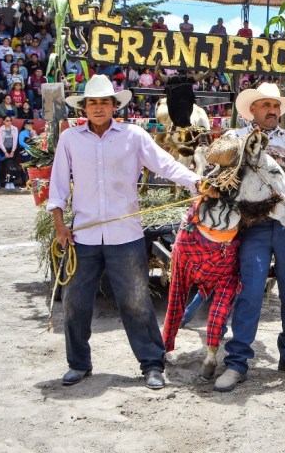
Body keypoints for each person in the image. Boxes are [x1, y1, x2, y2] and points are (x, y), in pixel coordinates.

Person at [47, 75, 202, 389]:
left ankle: (152, 364)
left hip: (126, 236)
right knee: (75, 302)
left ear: (114, 106)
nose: (98, 108)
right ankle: (78, 364)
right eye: (92, 103)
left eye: (104, 102)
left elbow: (165, 164)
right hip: (83, 237)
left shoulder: (134, 135)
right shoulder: (70, 139)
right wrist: (60, 225)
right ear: (84, 107)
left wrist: (195, 181)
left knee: (136, 301)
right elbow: (58, 185)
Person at [214, 82, 285, 392]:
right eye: (266, 105)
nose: (272, 110)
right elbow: (220, 179)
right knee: (251, 290)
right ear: (252, 110)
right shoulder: (235, 139)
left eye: (276, 105)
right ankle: (237, 361)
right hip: (252, 226)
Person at [0, 115, 20, 190]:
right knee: (6, 166)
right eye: (7, 120)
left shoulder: (15, 129)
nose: (9, 122)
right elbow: (0, 142)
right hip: (3, 150)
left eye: (10, 120)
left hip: (12, 150)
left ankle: (11, 182)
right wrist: (5, 152)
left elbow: (15, 140)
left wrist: (13, 151)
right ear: (3, 121)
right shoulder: (0, 129)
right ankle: (7, 182)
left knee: (12, 166)